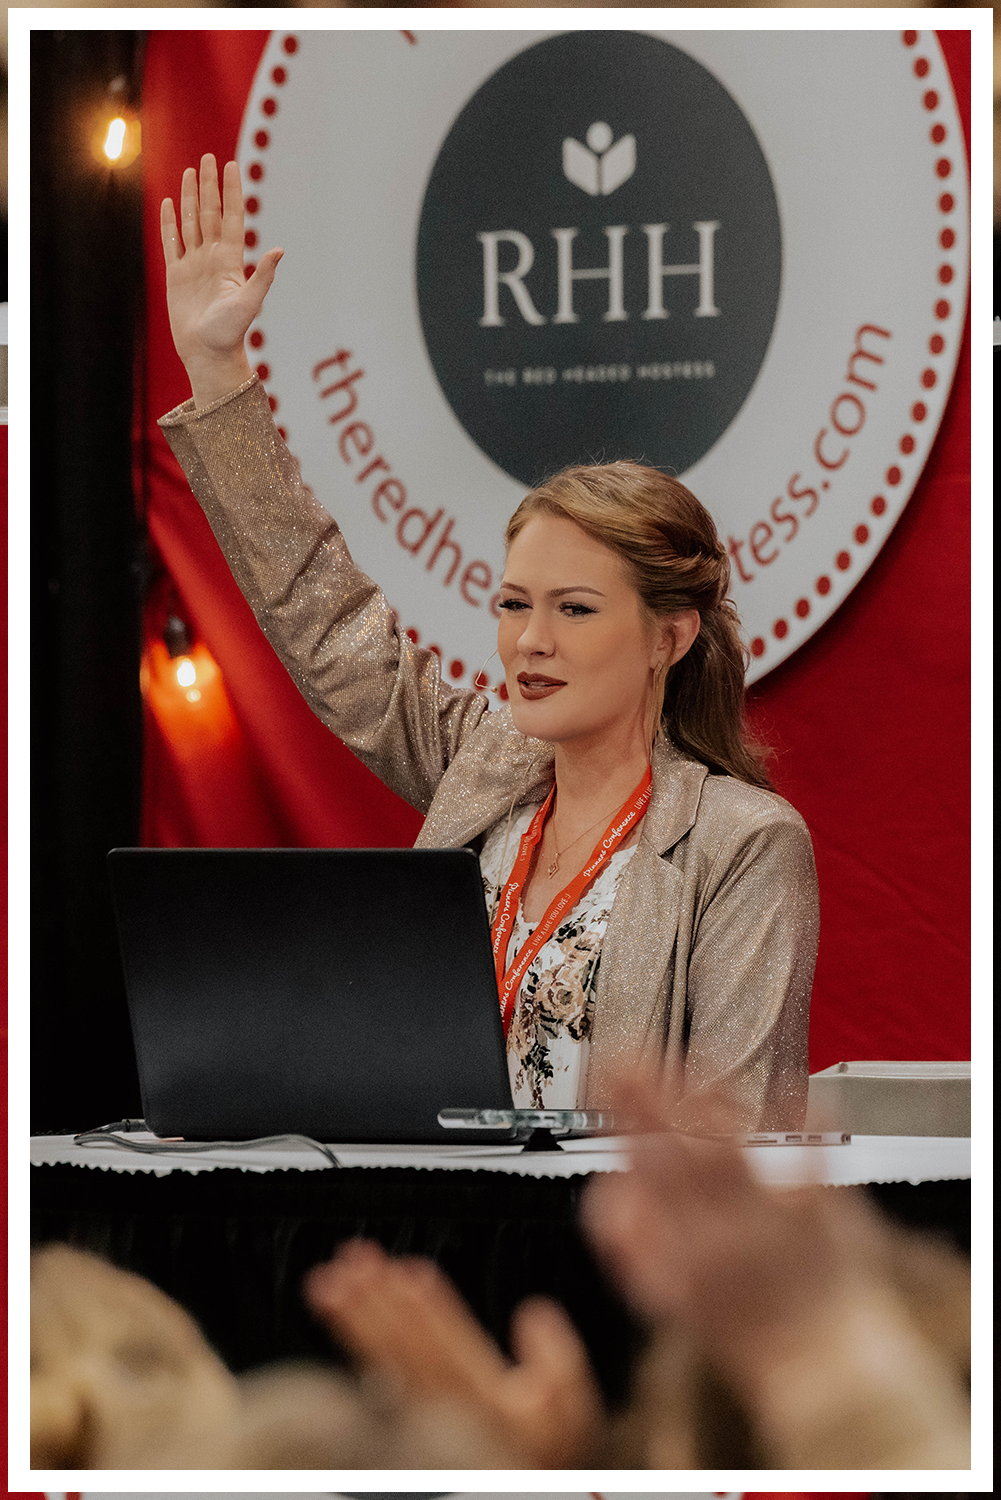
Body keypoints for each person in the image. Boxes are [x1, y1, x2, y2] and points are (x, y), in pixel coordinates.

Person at [158, 154, 819, 1129]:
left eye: (574, 610)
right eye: (512, 605)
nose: (529, 642)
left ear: (667, 637)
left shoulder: (741, 843)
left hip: (610, 1267)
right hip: (446, 1249)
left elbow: (729, 1147)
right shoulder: (484, 763)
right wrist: (218, 372)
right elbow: (327, 614)